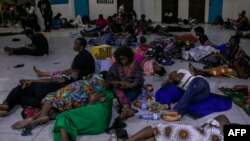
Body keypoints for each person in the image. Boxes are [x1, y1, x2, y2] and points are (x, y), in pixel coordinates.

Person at [11, 74, 107, 130]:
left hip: (77, 90)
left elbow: (95, 97)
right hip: (75, 92)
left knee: (52, 97)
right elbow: (96, 97)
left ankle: (38, 116)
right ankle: (36, 117)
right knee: (54, 100)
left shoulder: (99, 83)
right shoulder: (102, 87)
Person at [0, 70, 80, 117]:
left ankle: (6, 104)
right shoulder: (75, 87)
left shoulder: (68, 78)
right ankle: (5, 110)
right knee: (20, 98)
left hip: (44, 90)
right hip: (45, 102)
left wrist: (32, 80)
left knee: (20, 88)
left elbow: (51, 80)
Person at [124, 114, 230, 141]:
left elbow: (222, 118)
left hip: (189, 132)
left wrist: (203, 128)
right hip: (190, 135)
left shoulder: (216, 130)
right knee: (162, 136)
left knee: (159, 129)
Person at [107, 47, 144, 119]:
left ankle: (123, 108)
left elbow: (139, 80)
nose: (123, 61)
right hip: (119, 86)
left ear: (129, 57)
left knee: (131, 95)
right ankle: (127, 108)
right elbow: (109, 78)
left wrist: (129, 85)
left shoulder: (135, 65)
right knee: (116, 92)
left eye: (124, 59)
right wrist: (120, 82)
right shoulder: (116, 65)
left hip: (132, 87)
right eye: (120, 60)